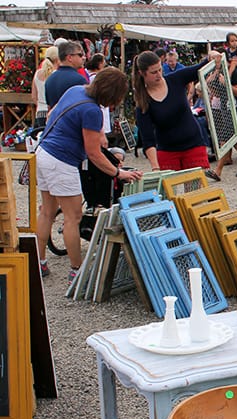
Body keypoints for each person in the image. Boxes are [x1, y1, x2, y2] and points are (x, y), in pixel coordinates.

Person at [35, 68, 143, 284]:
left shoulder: (76, 90)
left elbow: (52, 115)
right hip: (61, 161)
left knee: (47, 211)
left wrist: (94, 133)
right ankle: (76, 270)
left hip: (43, 152)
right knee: (73, 217)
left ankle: (39, 262)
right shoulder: (92, 111)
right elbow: (94, 154)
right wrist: (118, 173)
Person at [132, 49, 225, 179]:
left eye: (160, 69)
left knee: (196, 192)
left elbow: (199, 68)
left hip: (193, 144)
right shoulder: (143, 102)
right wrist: (155, 167)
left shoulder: (176, 79)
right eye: (153, 72)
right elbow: (148, 140)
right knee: (168, 194)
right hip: (167, 150)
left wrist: (212, 56)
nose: (159, 74)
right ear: (142, 73)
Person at [45, 40, 87, 109]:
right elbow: (85, 106)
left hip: (56, 118)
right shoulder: (79, 80)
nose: (83, 58)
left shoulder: (50, 79)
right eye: (80, 55)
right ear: (69, 58)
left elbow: (49, 107)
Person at [31, 45, 59, 128]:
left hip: (40, 111)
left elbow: (34, 96)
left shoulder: (37, 73)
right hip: (53, 112)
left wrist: (40, 105)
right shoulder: (56, 75)